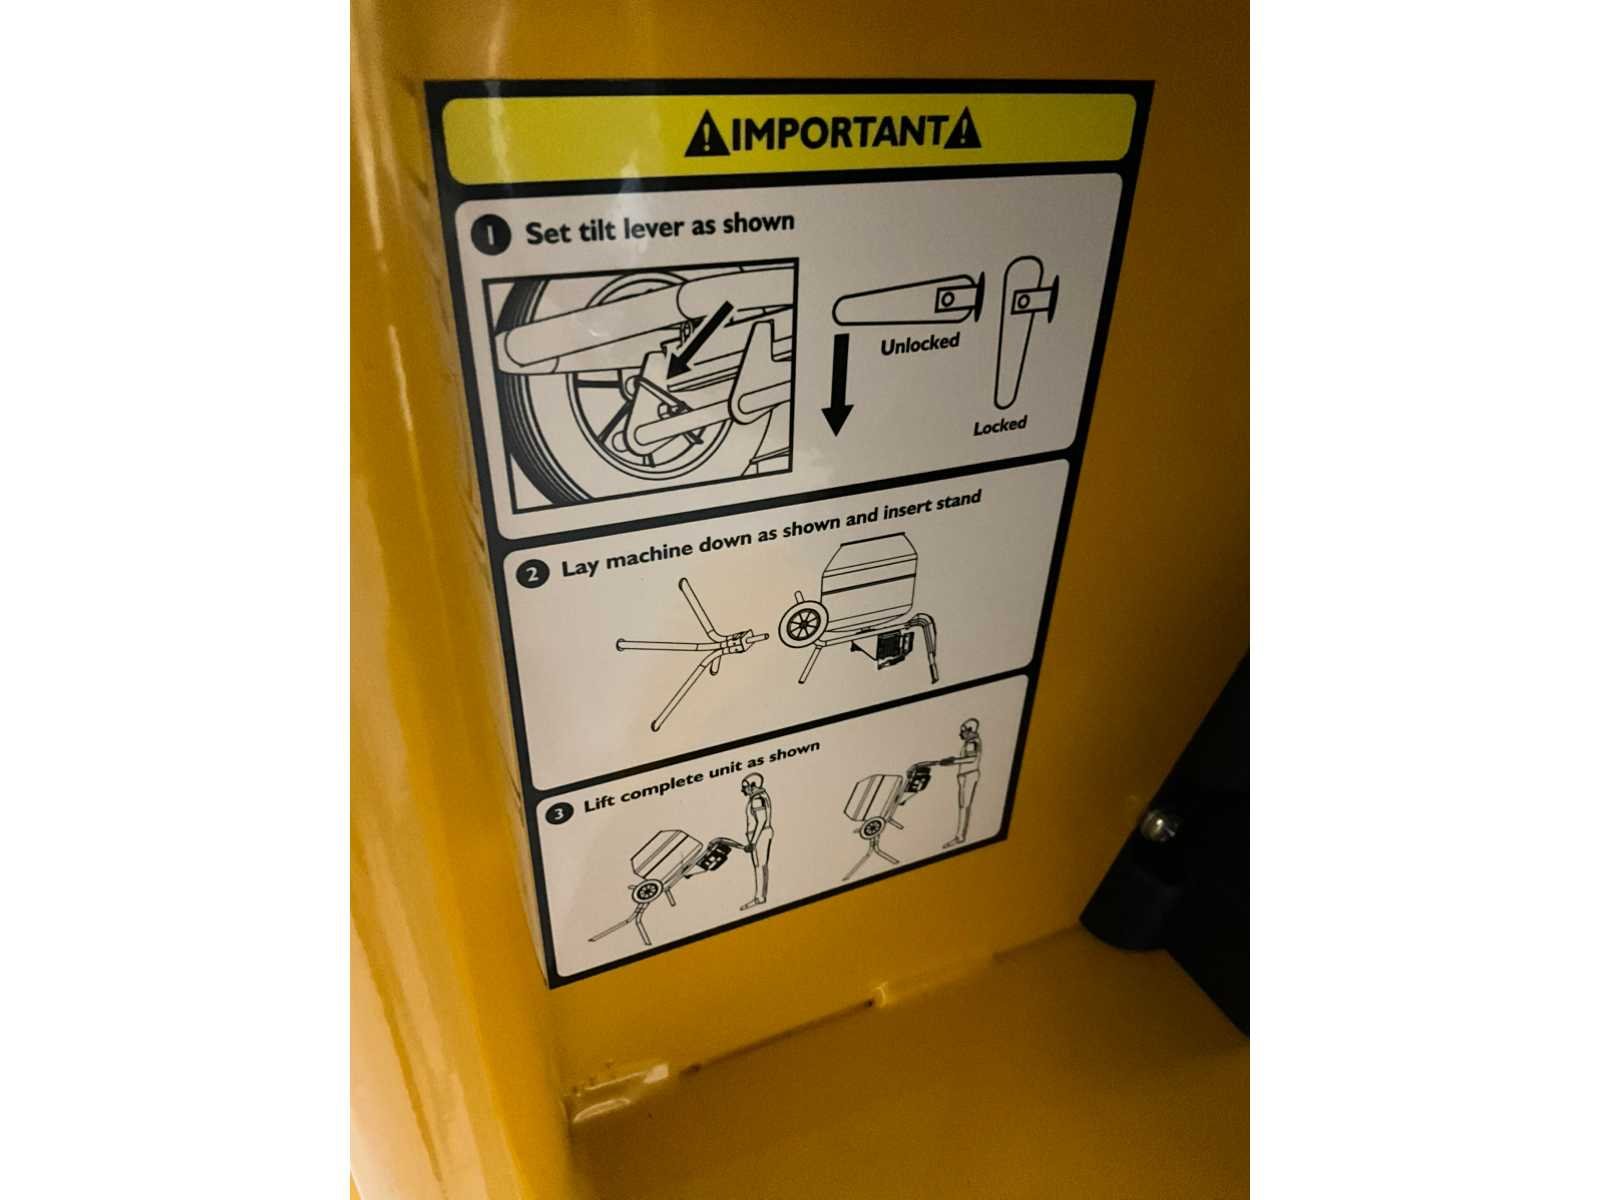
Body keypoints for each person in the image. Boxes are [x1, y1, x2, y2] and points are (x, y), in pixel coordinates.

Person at [941, 718, 982, 849]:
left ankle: (959, 837)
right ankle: (960, 835)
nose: (961, 733)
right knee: (963, 805)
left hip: (968, 775)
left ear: (970, 731)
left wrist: (953, 761)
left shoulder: (972, 742)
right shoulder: (972, 742)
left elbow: (971, 759)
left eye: (963, 731)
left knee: (964, 806)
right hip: (966, 775)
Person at [739, 772, 773, 910]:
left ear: (753, 785)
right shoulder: (762, 796)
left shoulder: (757, 799)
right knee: (762, 865)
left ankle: (759, 898)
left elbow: (761, 821)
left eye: (745, 787)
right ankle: (761, 896)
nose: (743, 790)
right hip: (762, 834)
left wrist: (753, 842)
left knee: (759, 866)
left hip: (759, 836)